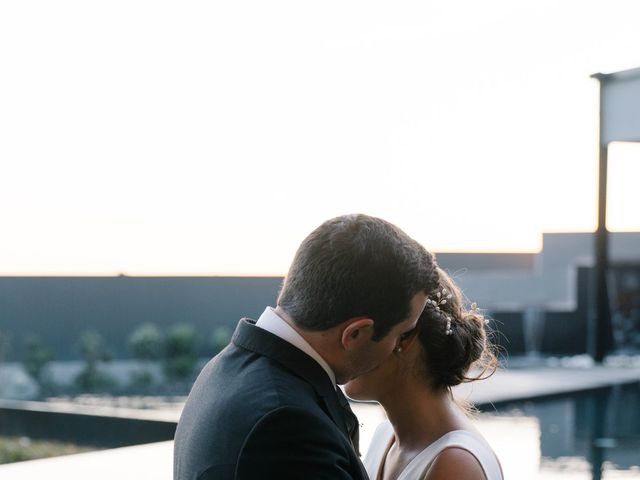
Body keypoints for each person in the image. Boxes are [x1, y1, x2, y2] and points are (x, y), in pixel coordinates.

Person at [173, 214, 439, 480]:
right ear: (355, 333)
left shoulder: (225, 368)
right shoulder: (288, 425)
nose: (398, 348)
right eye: (403, 333)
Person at [345, 267, 503, 480]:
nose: (345, 342)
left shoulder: (455, 465)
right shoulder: (384, 437)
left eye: (358, 332)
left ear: (405, 339)